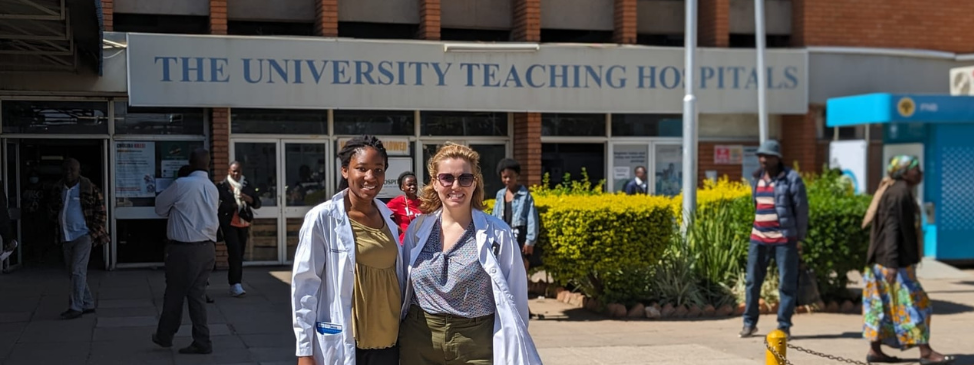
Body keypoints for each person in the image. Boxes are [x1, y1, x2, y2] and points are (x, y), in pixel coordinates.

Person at [400, 143, 542, 365]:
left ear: (474, 183)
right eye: (447, 178)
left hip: (476, 342)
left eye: (464, 178)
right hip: (419, 338)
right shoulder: (417, 230)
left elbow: (516, 298)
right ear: (435, 182)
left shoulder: (497, 233)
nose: (456, 186)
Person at [291, 135, 405, 365]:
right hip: (349, 342)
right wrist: (304, 351)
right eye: (361, 168)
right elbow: (304, 286)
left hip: (390, 340)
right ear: (345, 171)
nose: (371, 177)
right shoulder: (323, 218)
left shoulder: (389, 218)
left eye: (378, 169)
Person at [860, 156, 954, 364]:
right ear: (904, 173)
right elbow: (892, 229)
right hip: (892, 264)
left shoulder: (897, 190)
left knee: (882, 307)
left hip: (884, 262)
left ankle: (875, 351)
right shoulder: (899, 192)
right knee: (917, 305)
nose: (920, 172)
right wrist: (893, 264)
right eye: (915, 169)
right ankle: (925, 352)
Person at [153, 149, 219, 355]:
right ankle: (202, 340)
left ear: (190, 163)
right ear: (208, 164)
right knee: (196, 296)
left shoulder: (182, 184)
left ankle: (165, 336)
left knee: (174, 294)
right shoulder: (212, 187)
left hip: (184, 250)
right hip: (207, 249)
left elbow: (159, 208)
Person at [740, 140, 808, 339]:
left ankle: (784, 325)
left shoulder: (791, 179)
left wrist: (799, 238)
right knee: (752, 282)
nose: (762, 159)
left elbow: (801, 211)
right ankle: (749, 323)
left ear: (777, 158)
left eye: (767, 156)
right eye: (760, 156)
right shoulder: (757, 178)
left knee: (786, 284)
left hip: (784, 240)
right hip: (758, 238)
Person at [47, 158, 109, 320]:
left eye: (72, 170)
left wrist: (92, 234)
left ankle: (76, 307)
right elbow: (53, 209)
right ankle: (87, 303)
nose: (69, 173)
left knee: (77, 271)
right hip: (65, 236)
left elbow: (101, 213)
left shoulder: (89, 188)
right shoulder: (58, 188)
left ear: (79, 171)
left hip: (83, 236)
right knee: (74, 273)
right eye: (66, 169)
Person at [217, 161, 261, 297]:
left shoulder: (246, 184)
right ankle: (235, 284)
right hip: (229, 224)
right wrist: (233, 206)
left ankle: (236, 283)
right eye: (233, 171)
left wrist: (249, 199)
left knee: (239, 254)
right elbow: (218, 206)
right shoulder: (222, 186)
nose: (236, 174)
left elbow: (257, 203)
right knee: (235, 252)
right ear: (229, 171)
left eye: (238, 171)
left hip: (243, 224)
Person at [492, 158, 540, 271]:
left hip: (520, 237)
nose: (508, 179)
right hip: (503, 237)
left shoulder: (525, 196)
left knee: (521, 271)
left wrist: (530, 241)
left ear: (517, 176)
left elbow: (532, 219)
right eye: (505, 177)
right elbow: (494, 216)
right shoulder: (500, 194)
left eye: (511, 176)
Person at [386, 171, 421, 244]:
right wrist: (395, 227)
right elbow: (381, 213)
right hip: (404, 242)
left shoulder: (423, 203)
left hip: (421, 241)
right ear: (402, 187)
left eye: (414, 184)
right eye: (409, 185)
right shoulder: (397, 202)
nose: (413, 187)